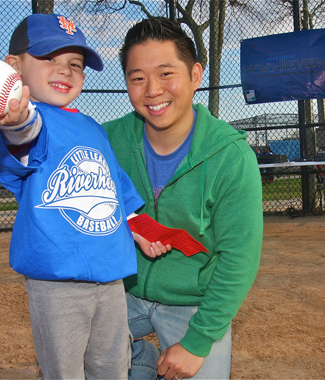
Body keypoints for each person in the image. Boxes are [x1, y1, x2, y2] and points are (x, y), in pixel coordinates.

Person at [0, 13, 170, 379]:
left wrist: (140, 226)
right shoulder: (25, 121)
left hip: (110, 276)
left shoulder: (91, 127)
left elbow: (114, 186)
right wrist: (15, 118)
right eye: (49, 59)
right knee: (64, 371)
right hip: (56, 283)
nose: (65, 71)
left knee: (112, 367)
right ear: (14, 67)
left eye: (75, 64)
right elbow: (24, 136)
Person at [102, 17, 263, 380]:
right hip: (120, 292)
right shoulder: (106, 141)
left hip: (193, 300)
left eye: (165, 74)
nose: (152, 90)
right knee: (70, 355)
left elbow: (238, 256)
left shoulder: (231, 155)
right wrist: (11, 125)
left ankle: (136, 359)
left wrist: (197, 342)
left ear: (195, 75)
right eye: (137, 78)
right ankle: (138, 358)